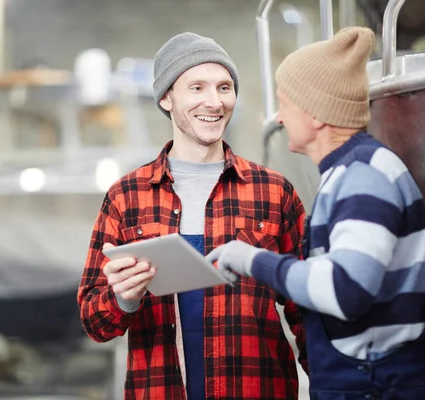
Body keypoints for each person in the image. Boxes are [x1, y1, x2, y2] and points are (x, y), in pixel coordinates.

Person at [207, 27, 425, 399]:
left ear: (315, 114)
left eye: (285, 103)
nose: (280, 118)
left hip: (377, 388)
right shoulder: (349, 173)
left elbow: (344, 290)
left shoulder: (365, 177)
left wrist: (254, 259)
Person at [77, 32, 308, 399]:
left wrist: (336, 386)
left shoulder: (274, 192)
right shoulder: (126, 197)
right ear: (167, 98)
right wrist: (124, 298)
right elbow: (94, 321)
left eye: (225, 87)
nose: (214, 102)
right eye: (197, 88)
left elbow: (307, 312)